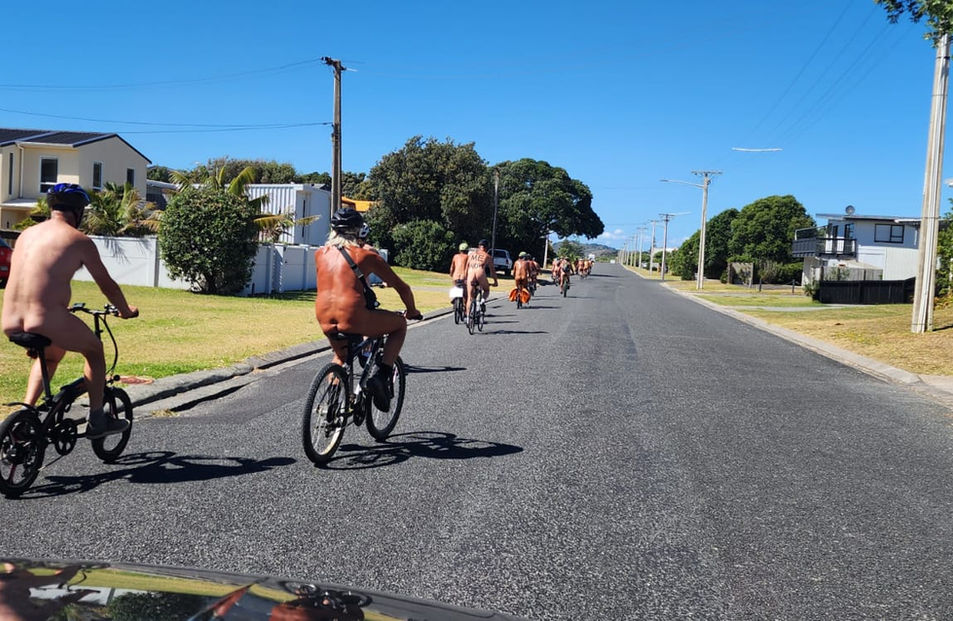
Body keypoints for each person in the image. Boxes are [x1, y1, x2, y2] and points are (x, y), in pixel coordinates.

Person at [2, 183, 138, 439]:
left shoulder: (26, 235)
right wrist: (125, 310)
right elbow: (106, 284)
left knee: (51, 356)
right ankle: (97, 420)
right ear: (78, 211)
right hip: (44, 319)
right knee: (94, 350)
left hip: (10, 320)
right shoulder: (78, 240)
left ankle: (26, 414)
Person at [314, 208, 422, 410]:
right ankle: (381, 376)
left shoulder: (320, 254)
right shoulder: (366, 255)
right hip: (354, 316)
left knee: (340, 357)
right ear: (358, 230)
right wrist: (412, 311)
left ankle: (331, 407)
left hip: (324, 317)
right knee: (399, 324)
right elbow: (402, 287)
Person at [464, 239, 497, 317]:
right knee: (486, 290)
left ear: (479, 246)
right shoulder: (487, 256)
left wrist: (465, 278)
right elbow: (492, 271)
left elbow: (466, 267)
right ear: (487, 248)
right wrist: (495, 281)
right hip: (480, 272)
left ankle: (468, 317)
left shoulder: (471, 254)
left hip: (471, 272)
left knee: (470, 297)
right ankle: (482, 301)